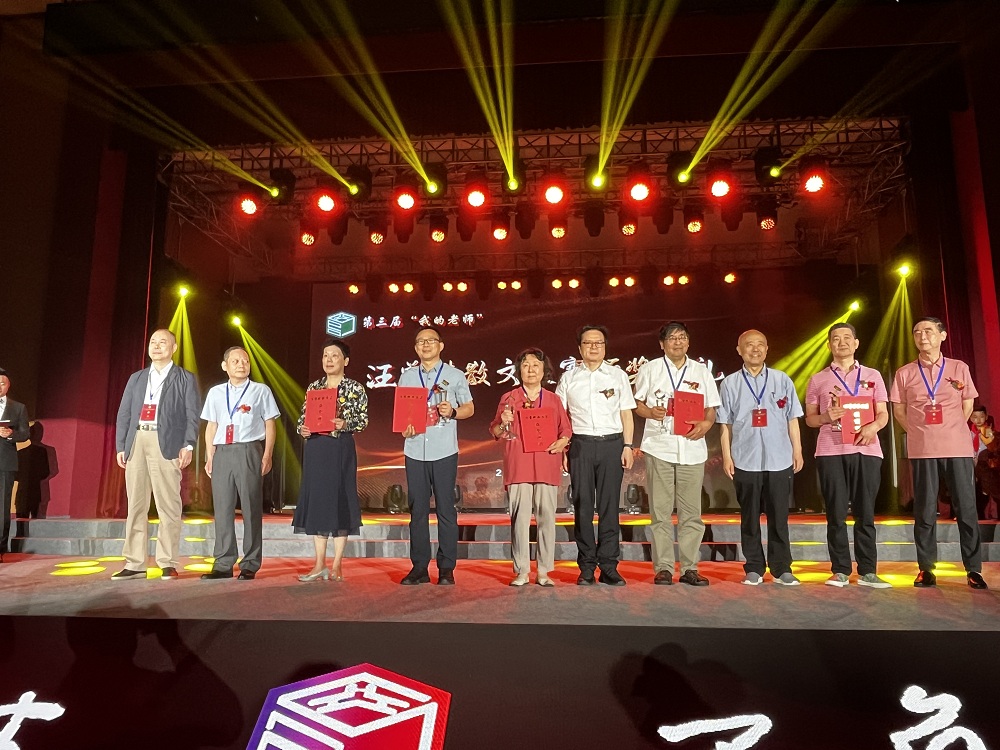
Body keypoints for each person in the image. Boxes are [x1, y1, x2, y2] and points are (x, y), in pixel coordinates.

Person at [890, 317, 987, 589]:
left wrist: (951, 428)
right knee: (924, 510)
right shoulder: (905, 372)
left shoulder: (958, 367)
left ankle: (973, 569)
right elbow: (899, 410)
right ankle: (926, 568)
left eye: (929, 331)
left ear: (942, 335)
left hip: (957, 447)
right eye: (917, 332)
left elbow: (968, 404)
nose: (922, 336)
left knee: (966, 507)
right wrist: (920, 431)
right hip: (923, 449)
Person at [804, 323, 891, 588]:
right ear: (828, 345)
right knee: (836, 513)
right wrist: (825, 417)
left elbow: (883, 413)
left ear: (856, 343)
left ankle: (868, 571)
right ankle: (840, 570)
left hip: (867, 449)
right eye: (835, 339)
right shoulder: (817, 379)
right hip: (831, 451)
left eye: (846, 338)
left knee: (865, 513)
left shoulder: (873, 375)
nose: (841, 342)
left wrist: (873, 427)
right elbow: (809, 419)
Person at [633, 322, 720, 586]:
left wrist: (706, 424)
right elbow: (637, 403)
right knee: (660, 511)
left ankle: (690, 568)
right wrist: (650, 412)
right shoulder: (650, 369)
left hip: (692, 448)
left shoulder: (701, 371)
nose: (677, 342)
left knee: (691, 513)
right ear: (662, 344)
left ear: (688, 342)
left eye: (682, 337)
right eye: (672, 338)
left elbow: (711, 407)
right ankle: (663, 568)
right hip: (659, 446)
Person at [717, 329, 804, 586]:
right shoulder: (730, 383)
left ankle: (781, 568)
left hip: (780, 458)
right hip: (745, 459)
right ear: (739, 350)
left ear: (767, 349)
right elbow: (725, 424)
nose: (755, 349)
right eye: (749, 345)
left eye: (760, 345)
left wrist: (797, 450)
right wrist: (726, 456)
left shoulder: (781, 379)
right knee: (749, 517)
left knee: (779, 517)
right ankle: (754, 567)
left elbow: (792, 418)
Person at [113, 329, 200, 580]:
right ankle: (135, 562)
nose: (157, 346)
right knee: (136, 505)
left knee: (168, 505)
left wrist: (188, 445)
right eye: (153, 342)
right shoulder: (137, 378)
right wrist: (121, 446)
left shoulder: (184, 378)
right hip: (137, 441)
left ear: (174, 348)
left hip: (167, 443)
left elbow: (192, 415)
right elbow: (124, 413)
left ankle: (167, 562)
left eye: (163, 342)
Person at [556, 325, 637, 586]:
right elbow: (561, 417)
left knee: (609, 507)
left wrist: (628, 445)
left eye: (599, 343)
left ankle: (609, 566)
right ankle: (587, 566)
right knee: (582, 506)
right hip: (580, 445)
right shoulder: (569, 378)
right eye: (588, 343)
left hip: (612, 444)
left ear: (605, 347)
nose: (594, 347)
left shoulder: (617, 375)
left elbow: (626, 413)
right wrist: (565, 449)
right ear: (579, 348)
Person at [489, 348, 572, 587]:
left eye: (536, 365)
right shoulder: (509, 398)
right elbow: (496, 430)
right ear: (519, 371)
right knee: (520, 519)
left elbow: (566, 429)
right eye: (525, 365)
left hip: (546, 463)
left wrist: (563, 442)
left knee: (547, 518)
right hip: (519, 465)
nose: (531, 369)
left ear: (544, 370)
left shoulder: (553, 399)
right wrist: (503, 423)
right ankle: (522, 571)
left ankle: (544, 571)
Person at [398, 327, 474, 585]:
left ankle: (446, 569)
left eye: (431, 340)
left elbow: (469, 408)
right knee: (417, 511)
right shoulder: (407, 377)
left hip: (444, 450)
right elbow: (402, 415)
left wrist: (452, 411)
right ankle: (419, 568)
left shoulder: (455, 375)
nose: (426, 345)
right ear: (415, 348)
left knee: (445, 509)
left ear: (441, 345)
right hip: (414, 449)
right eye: (420, 341)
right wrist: (404, 428)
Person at [200, 346, 279, 581]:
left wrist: (267, 455)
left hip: (249, 450)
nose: (241, 364)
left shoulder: (260, 390)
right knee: (222, 508)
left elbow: (270, 424)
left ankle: (250, 563)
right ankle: (223, 563)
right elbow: (211, 426)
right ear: (225, 366)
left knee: (251, 507)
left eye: (245, 361)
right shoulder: (216, 392)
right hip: (222, 452)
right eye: (235, 361)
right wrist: (210, 455)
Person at [293, 337, 368, 582]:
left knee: (340, 500)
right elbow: (302, 418)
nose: (329, 360)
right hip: (316, 448)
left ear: (345, 361)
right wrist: (302, 429)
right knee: (318, 502)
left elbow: (363, 421)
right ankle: (319, 564)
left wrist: (345, 423)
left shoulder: (355, 388)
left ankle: (337, 564)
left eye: (334, 355)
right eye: (325, 355)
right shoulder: (314, 387)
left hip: (340, 448)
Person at [0, 369, 30, 562]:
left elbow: (25, 434)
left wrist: (11, 434)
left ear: (8, 385)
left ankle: (1, 547)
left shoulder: (18, 408)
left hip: (5, 462)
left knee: (3, 507)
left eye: (2, 384)